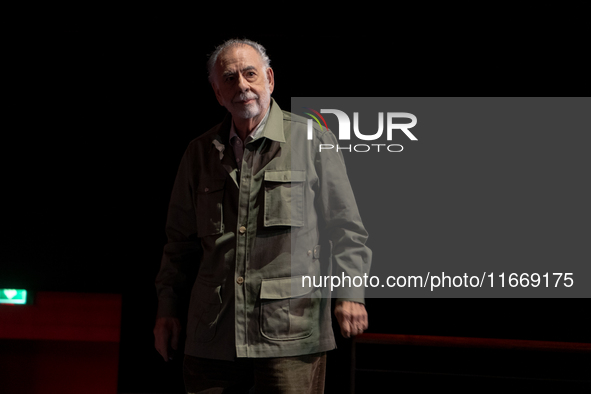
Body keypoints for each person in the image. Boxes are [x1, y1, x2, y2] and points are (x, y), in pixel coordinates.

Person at [154, 38, 371, 393]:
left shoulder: (314, 140)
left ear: (269, 79)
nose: (242, 86)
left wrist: (350, 293)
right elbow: (179, 245)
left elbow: (347, 230)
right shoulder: (199, 153)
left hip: (290, 336)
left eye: (250, 74)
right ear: (217, 93)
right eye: (229, 79)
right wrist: (167, 309)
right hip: (213, 337)